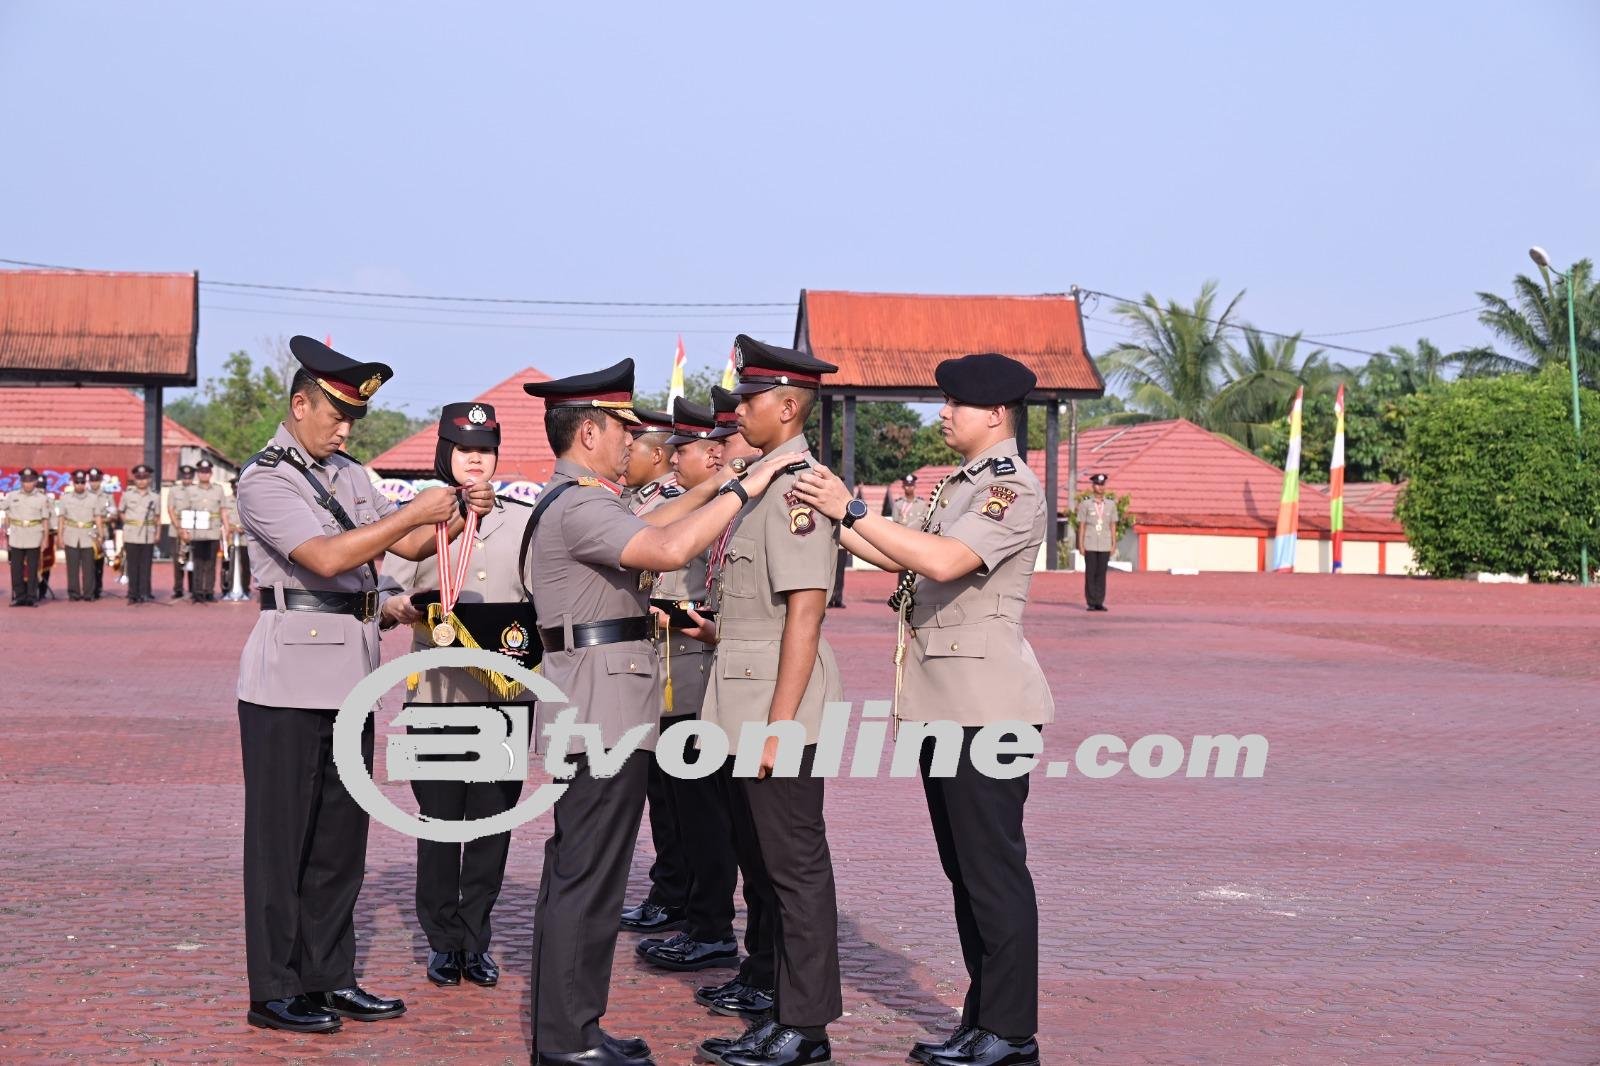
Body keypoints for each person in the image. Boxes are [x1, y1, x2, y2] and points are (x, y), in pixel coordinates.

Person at [520, 358, 784, 1066]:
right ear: (590, 433)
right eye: (622, 430)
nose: (635, 442)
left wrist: (715, 487)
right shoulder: (580, 504)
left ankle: (571, 1027)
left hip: (595, 698)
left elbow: (652, 520)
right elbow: (666, 546)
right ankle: (568, 1039)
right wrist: (745, 486)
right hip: (601, 705)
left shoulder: (580, 499)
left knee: (582, 872)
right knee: (588, 878)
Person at [791, 351, 1052, 1066]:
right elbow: (900, 555)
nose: (943, 414)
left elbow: (943, 562)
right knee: (966, 873)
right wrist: (828, 513)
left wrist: (850, 508)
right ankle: (984, 1018)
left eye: (955, 403)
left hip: (986, 708)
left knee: (993, 873)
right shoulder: (961, 484)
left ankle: (1011, 1032)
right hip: (946, 705)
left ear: (994, 413)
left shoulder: (1009, 488)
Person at [234, 336, 496, 1035]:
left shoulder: (348, 474)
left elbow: (405, 544)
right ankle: (274, 988)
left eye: (353, 418)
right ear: (300, 406)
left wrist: (460, 510)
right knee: (281, 842)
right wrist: (412, 514)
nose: (346, 430)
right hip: (288, 681)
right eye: (337, 416)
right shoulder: (266, 479)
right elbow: (324, 557)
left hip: (350, 674)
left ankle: (328, 976)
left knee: (339, 841)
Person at [694, 335, 843, 1066]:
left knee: (794, 870)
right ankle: (781, 1010)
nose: (739, 412)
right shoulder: (763, 482)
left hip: (777, 708)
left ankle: (805, 1028)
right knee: (766, 866)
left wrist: (780, 725)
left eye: (750, 401)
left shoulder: (798, 490)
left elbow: (805, 614)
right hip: (743, 695)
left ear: (786, 407)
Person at [378, 401, 530, 993]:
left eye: (485, 451)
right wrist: (400, 607)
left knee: (493, 823)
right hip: (437, 692)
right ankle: (442, 941)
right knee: (439, 822)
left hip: (503, 692)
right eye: (465, 449)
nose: (476, 459)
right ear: (445, 453)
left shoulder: (523, 522)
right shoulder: (417, 519)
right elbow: (384, 591)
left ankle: (475, 938)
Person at [632, 397, 742, 973]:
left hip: (698, 674)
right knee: (676, 806)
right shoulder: (693, 505)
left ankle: (709, 925)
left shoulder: (722, 510)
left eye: (688, 451)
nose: (676, 461)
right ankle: (688, 908)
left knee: (704, 814)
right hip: (669, 672)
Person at [684, 384, 778, 1025]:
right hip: (732, 682)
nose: (722, 449)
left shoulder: (783, 495)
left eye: (731, 436)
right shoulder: (744, 497)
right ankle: (758, 966)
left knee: (774, 859)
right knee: (750, 846)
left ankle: (775, 980)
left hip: (765, 695)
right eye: (718, 438)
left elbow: (799, 615)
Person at [615, 407, 697, 938]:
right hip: (649, 661)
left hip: (676, 658)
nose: (625, 457)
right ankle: (669, 890)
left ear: (660, 455)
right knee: (660, 794)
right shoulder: (628, 501)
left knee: (678, 797)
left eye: (634, 448)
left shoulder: (673, 503)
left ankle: (678, 896)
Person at [3, 467, 49, 607]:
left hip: (34, 535)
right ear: (21, 481)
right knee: (16, 568)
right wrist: (6, 527)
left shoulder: (42, 498)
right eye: (24, 481)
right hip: (16, 535)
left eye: (30, 481)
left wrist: (45, 538)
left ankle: (31, 597)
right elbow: (4, 510)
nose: (27, 484)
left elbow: (45, 520)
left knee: (33, 568)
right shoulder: (12, 496)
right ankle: (19, 596)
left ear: (35, 481)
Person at [57, 470, 105, 601]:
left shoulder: (93, 498)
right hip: (71, 534)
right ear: (73, 483)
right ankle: (74, 593)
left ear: (85, 483)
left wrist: (101, 535)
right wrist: (60, 536)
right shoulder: (65, 498)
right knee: (72, 567)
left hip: (88, 535)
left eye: (82, 482)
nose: (80, 485)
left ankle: (89, 593)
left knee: (89, 567)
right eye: (77, 482)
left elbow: (98, 517)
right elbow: (61, 519)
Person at [187, 459, 230, 603]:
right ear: (197, 474)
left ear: (211, 473)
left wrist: (226, 527)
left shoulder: (218, 489)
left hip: (213, 531)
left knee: (211, 563)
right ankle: (197, 592)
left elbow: (223, 509)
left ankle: (209, 591)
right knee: (198, 562)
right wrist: (184, 530)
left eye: (206, 472)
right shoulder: (191, 490)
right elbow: (185, 511)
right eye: (201, 472)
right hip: (197, 532)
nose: (204, 474)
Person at [119, 464, 160, 604]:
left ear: (149, 479)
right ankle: (133, 593)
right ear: (134, 480)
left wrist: (158, 533)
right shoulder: (127, 495)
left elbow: (157, 517)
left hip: (148, 533)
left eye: (144, 478)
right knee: (132, 565)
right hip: (132, 533)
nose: (141, 481)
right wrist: (129, 523)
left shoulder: (155, 497)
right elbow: (121, 511)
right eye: (138, 478)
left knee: (146, 565)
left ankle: (144, 592)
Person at [1077, 473, 1115, 612]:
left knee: (1101, 574)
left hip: (1105, 543)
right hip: (1090, 543)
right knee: (1090, 573)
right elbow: (1082, 525)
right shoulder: (1086, 504)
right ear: (1093, 486)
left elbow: (1113, 525)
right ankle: (1091, 602)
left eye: (1102, 484)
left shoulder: (1111, 504)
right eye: (1098, 485)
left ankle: (1099, 601)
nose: (1100, 487)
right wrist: (1081, 544)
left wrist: (1113, 544)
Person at [167, 464, 195, 598]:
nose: (187, 479)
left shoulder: (197, 490)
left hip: (193, 529)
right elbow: (170, 509)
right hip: (176, 528)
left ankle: (193, 589)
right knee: (178, 561)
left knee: (192, 560)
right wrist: (179, 528)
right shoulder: (174, 490)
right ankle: (178, 589)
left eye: (189, 477)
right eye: (185, 477)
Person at [222, 476, 252, 597]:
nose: (236, 490)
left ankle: (245, 589)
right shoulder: (226, 500)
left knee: (245, 564)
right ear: (231, 488)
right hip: (230, 536)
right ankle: (226, 589)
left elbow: (252, 516)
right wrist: (231, 528)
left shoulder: (249, 500)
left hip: (244, 537)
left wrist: (243, 528)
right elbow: (222, 516)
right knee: (228, 565)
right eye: (234, 487)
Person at [88, 467, 115, 598]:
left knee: (99, 561)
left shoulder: (107, 496)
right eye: (92, 480)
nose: (94, 483)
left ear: (100, 481)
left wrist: (101, 519)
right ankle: (89, 587)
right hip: (88, 531)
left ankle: (98, 587)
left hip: (102, 531)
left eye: (96, 480)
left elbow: (113, 514)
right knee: (88, 561)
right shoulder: (84, 495)